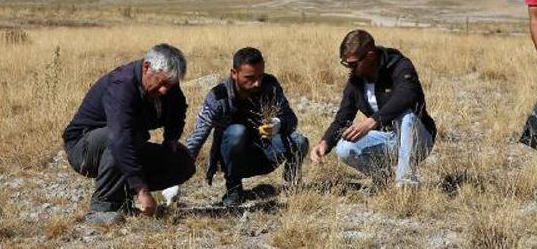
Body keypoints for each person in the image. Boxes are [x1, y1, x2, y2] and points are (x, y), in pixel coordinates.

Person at [62, 44, 195, 225]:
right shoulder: (122, 85)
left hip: (125, 143)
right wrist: (142, 190)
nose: (165, 90)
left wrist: (171, 140)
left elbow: (178, 108)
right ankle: (103, 208)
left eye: (170, 85)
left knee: (182, 162)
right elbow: (120, 139)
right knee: (124, 138)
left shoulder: (168, 85)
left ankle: (122, 197)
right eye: (161, 83)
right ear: (147, 68)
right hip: (84, 149)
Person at [310, 30, 436, 187]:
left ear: (370, 55)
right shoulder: (356, 81)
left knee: (406, 115)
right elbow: (344, 117)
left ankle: (405, 181)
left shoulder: (400, 65)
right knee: (344, 147)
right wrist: (325, 143)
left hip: (419, 139)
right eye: (346, 64)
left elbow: (407, 95)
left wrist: (372, 121)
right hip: (388, 140)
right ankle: (385, 179)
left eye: (353, 63)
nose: (349, 68)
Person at [184, 47, 308, 207]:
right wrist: (177, 173)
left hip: (266, 153)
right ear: (234, 73)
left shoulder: (270, 85)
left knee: (299, 140)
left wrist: (278, 124)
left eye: (260, 76)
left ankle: (290, 187)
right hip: (231, 159)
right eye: (249, 77)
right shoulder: (218, 96)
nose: (257, 82)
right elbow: (198, 136)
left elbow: (291, 119)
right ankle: (234, 189)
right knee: (237, 132)